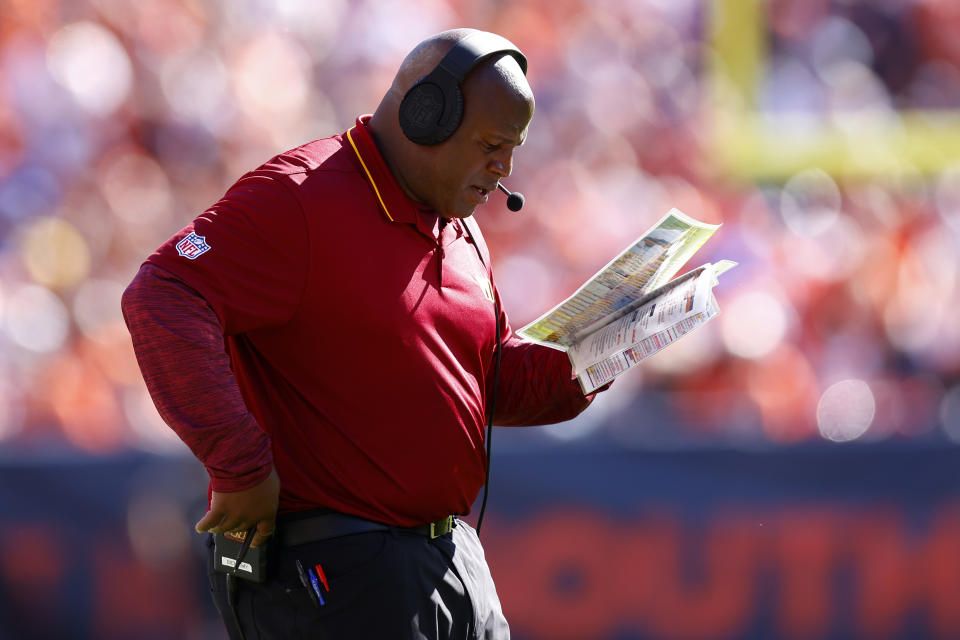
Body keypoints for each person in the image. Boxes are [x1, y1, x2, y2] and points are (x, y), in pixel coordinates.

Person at [122, 28, 601, 639]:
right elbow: (162, 292)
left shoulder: (459, 227)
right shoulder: (299, 196)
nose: (504, 168)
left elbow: (484, 383)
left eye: (512, 149)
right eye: (490, 144)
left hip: (451, 558)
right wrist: (240, 465)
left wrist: (599, 353)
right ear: (427, 118)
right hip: (336, 565)